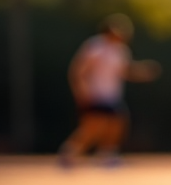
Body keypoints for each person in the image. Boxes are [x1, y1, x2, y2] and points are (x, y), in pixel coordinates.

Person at [59, 14, 160, 166]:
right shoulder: (95, 46)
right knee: (93, 127)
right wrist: (81, 91)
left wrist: (143, 72)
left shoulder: (121, 50)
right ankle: (70, 153)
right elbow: (78, 70)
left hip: (112, 96)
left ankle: (107, 155)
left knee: (118, 123)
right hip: (95, 94)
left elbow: (125, 71)